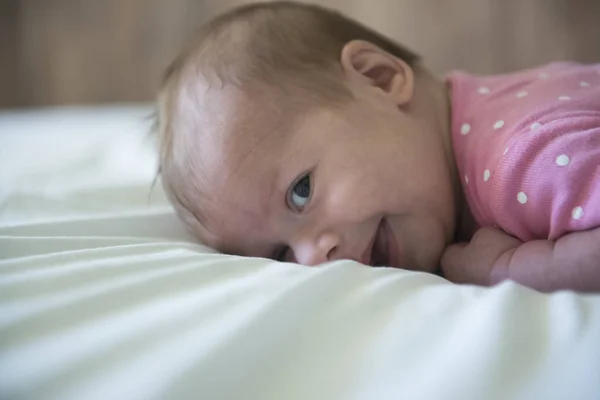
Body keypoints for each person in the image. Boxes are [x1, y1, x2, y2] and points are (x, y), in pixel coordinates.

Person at [154, 1, 600, 292]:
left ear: (379, 79)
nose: (314, 259)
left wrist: (511, 270)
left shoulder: (525, 158)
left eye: (301, 191)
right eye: (280, 254)